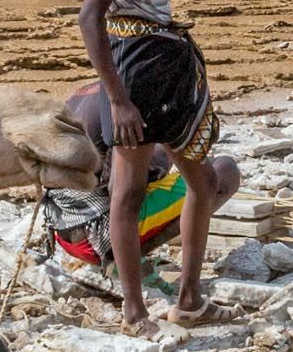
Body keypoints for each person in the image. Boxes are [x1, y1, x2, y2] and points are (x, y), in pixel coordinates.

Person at [80, 0, 225, 329]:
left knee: (200, 182)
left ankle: (186, 299)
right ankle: (136, 309)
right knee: (131, 192)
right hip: (140, 67)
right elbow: (90, 15)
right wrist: (119, 101)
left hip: (154, 64)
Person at [46, 82, 242, 274]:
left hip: (63, 230)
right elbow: (126, 184)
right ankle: (125, 261)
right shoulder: (137, 96)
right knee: (222, 172)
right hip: (98, 237)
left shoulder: (87, 92)